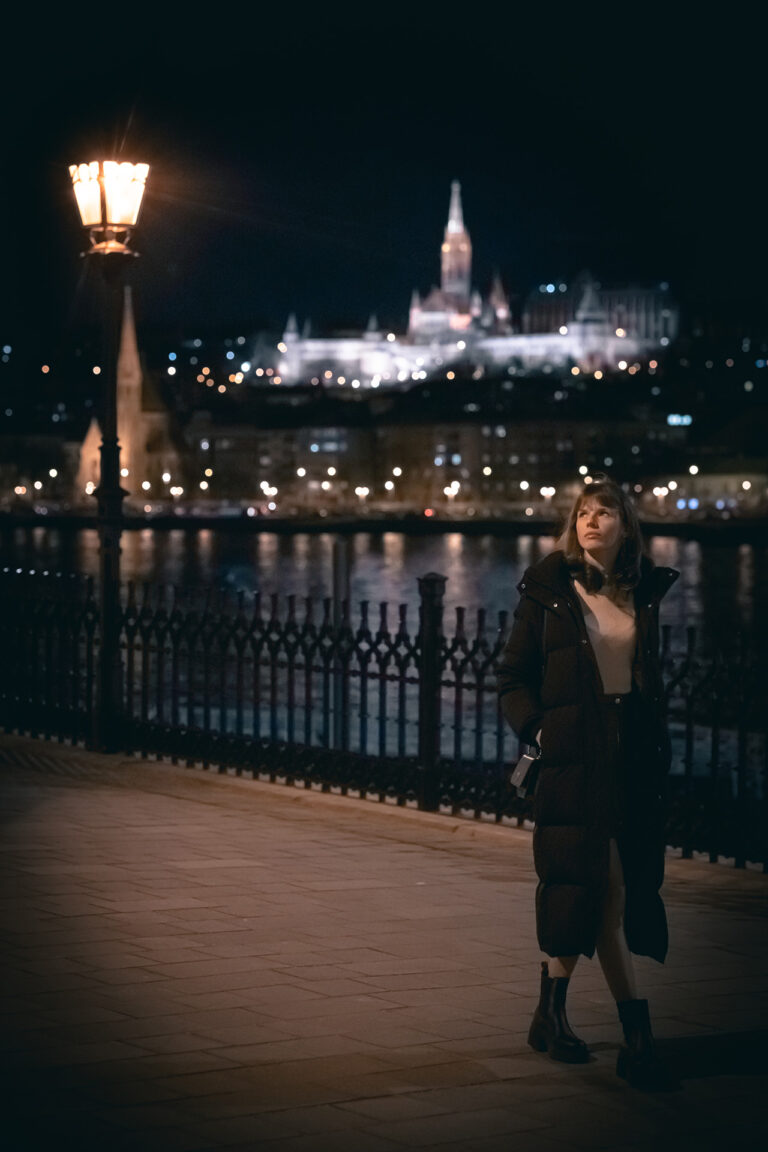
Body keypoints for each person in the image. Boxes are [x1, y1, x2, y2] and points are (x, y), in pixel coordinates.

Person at [496, 475, 680, 1092]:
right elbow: (512, 677)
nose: (591, 522)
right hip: (575, 759)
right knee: (608, 889)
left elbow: (646, 683)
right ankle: (638, 1036)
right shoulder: (550, 593)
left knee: (590, 891)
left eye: (605, 513)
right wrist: (540, 730)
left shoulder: (640, 595)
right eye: (582, 513)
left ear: (626, 525)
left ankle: (549, 1014)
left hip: (630, 762)